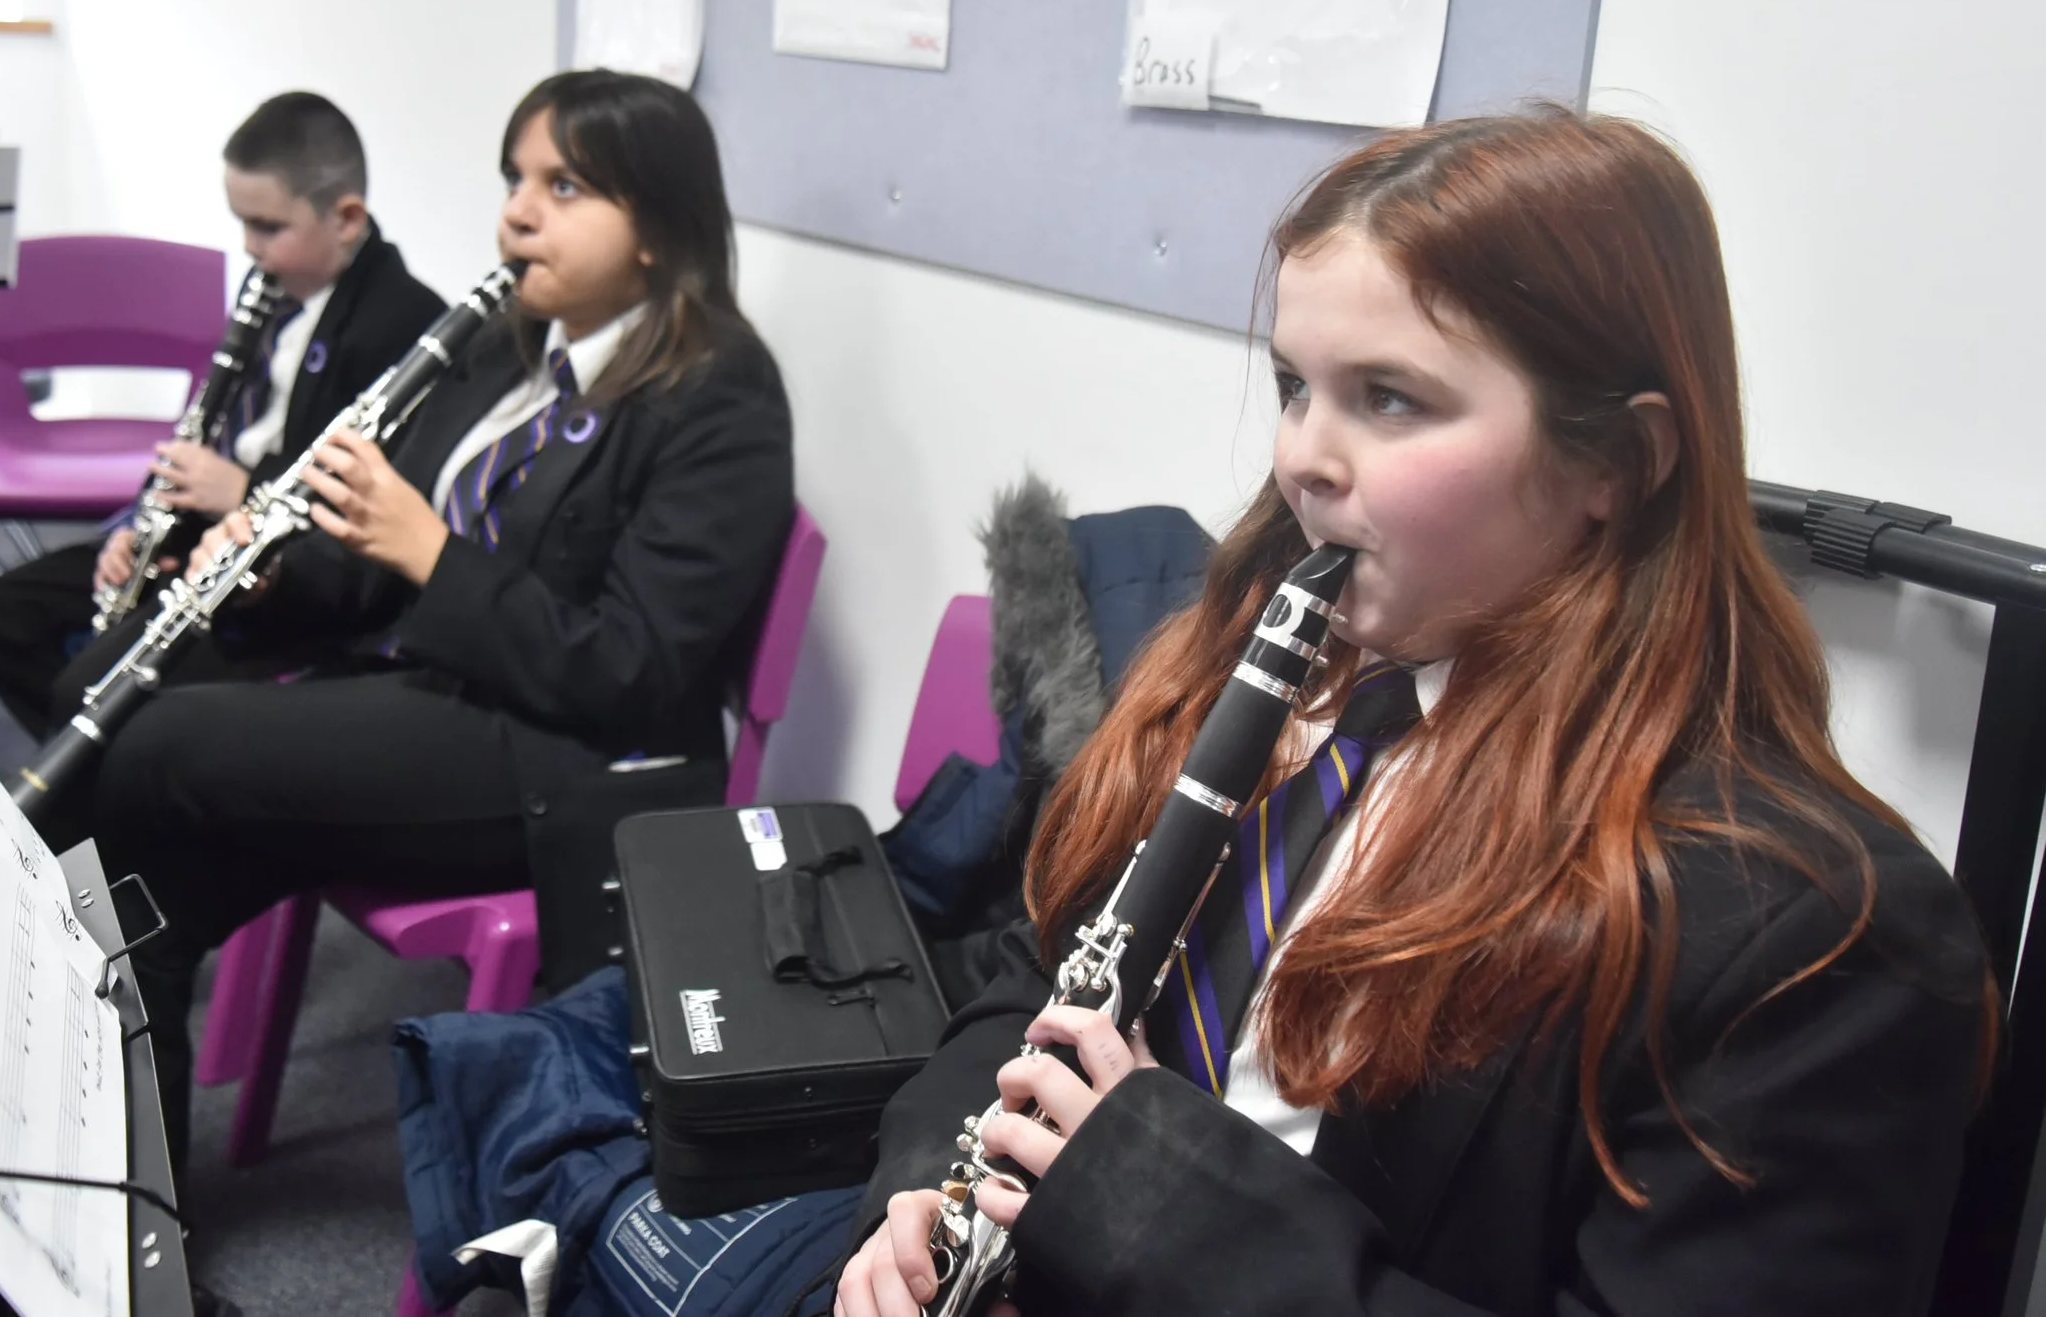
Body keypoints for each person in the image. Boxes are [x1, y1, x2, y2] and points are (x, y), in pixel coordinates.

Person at [835, 108, 1992, 1317]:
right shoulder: (1245, 669)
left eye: (1389, 398)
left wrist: (1159, 1204)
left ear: (1616, 461)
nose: (1303, 457)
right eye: (1296, 386)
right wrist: (914, 1202)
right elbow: (1036, 981)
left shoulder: (1809, 934)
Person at [92, 69, 795, 1169]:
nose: (518, 213)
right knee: (138, 874)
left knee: (154, 741)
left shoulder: (721, 394)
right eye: (516, 179)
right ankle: (123, 1202)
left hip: (563, 756)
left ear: (658, 226)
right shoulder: (505, 347)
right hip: (428, 693)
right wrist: (273, 571)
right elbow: (372, 563)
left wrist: (430, 550)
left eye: (564, 186)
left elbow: (630, 666)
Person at [0, 90, 442, 738]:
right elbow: (205, 428)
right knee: (3, 615)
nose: (249, 246)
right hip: (201, 533)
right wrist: (131, 531)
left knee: (98, 686)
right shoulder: (269, 287)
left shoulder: (403, 324)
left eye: (268, 227)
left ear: (347, 218)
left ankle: (94, 776)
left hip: (274, 575)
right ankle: (84, 771)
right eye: (242, 223)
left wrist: (241, 489)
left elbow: (353, 514)